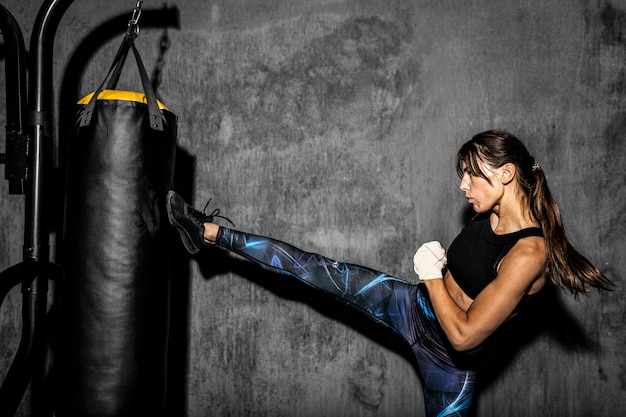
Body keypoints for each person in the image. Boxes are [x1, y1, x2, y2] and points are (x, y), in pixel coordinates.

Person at [165, 129, 613, 416]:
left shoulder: (530, 252)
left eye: (471, 175)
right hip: (411, 305)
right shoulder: (490, 213)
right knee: (314, 269)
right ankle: (204, 232)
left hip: (448, 364)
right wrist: (429, 284)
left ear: (507, 173)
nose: (462, 186)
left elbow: (464, 336)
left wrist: (432, 273)